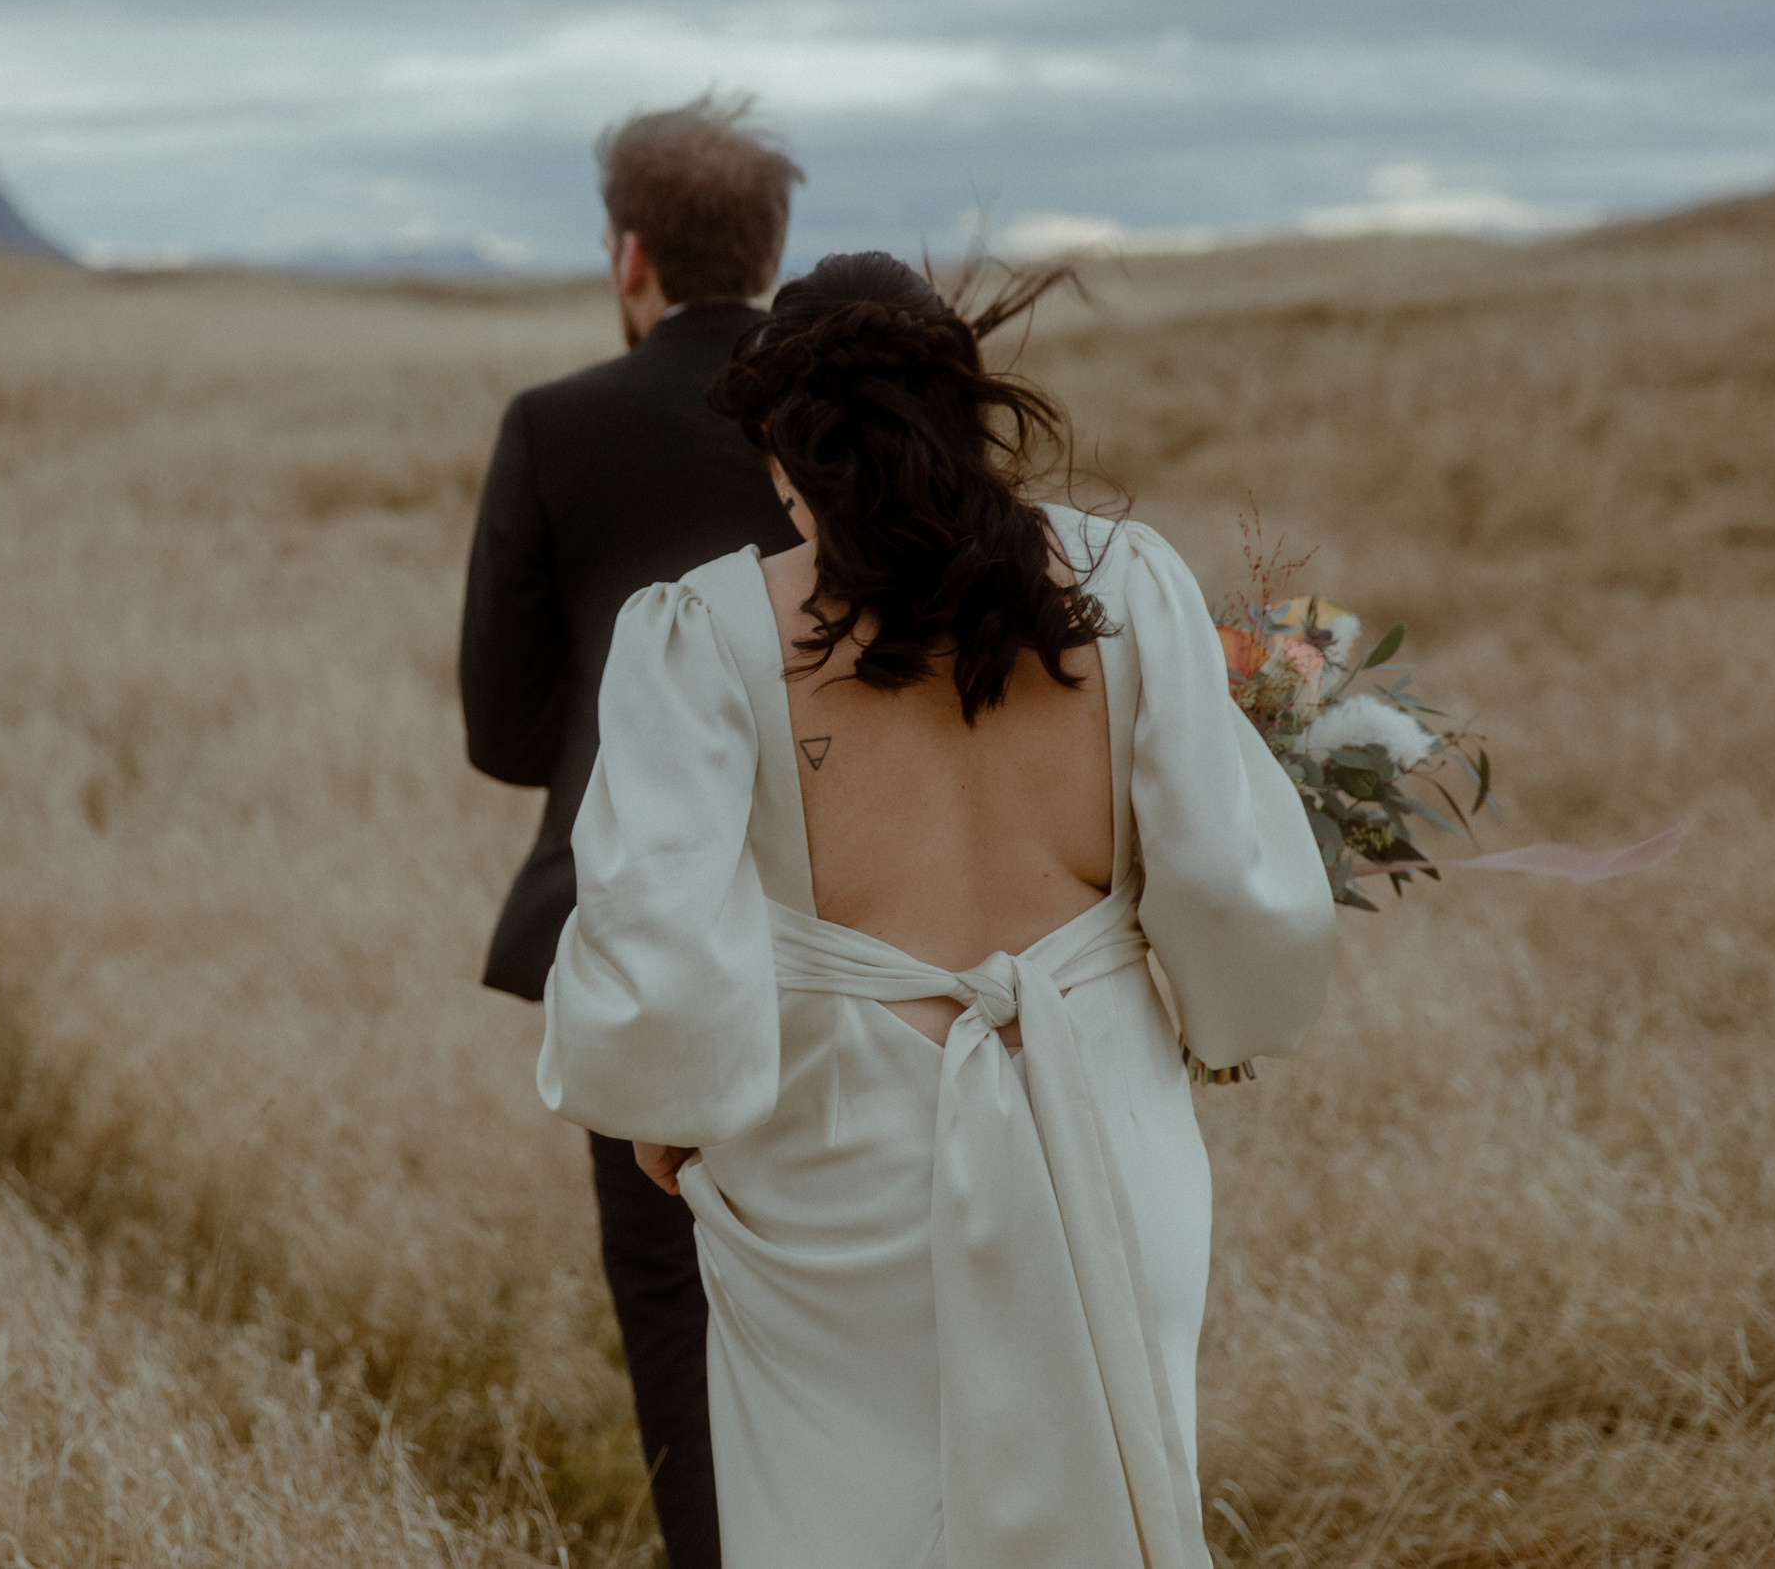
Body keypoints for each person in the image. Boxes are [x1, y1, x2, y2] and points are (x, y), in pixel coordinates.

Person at [537, 252, 1338, 1568]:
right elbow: (1225, 884)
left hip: (831, 1168)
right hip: (1107, 1128)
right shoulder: (1126, 584)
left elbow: (656, 934)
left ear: (784, 446)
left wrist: (666, 1118)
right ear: (963, 410)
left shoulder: (706, 632)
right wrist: (1221, 1018)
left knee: (848, 1524)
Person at [458, 95, 806, 1569]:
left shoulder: (557, 425)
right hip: (858, 918)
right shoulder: (844, 418)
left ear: (630, 255)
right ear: (773, 255)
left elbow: (503, 732)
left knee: (675, 1310)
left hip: (640, 942)